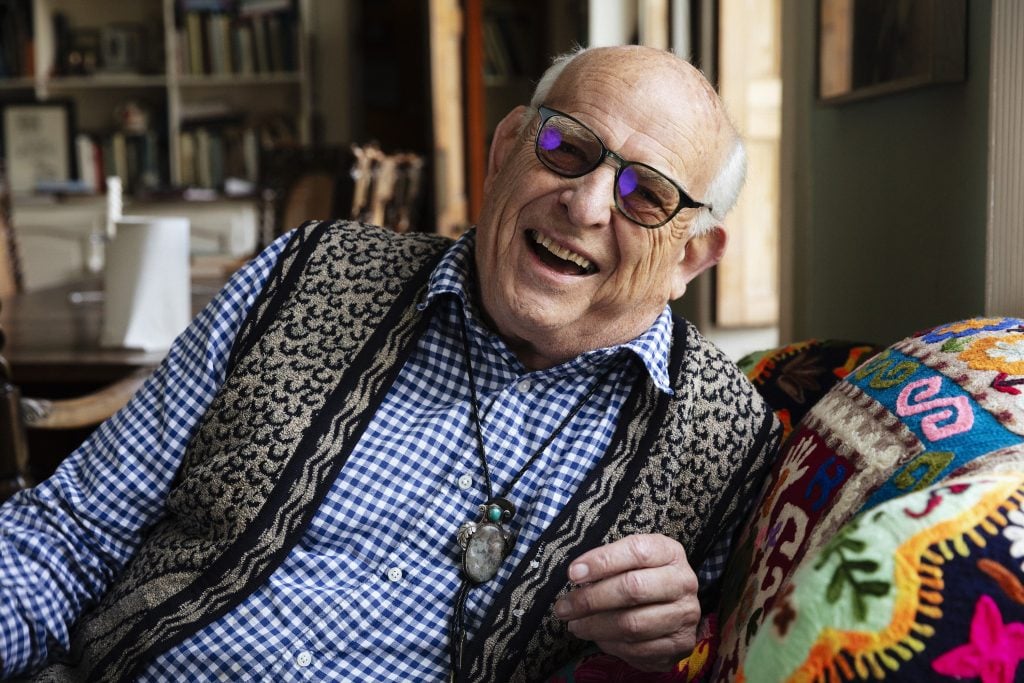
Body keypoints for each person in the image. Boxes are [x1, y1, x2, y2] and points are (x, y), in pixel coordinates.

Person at [0, 45, 779, 682]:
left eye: (646, 195)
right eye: (566, 148)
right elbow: (71, 532)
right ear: (507, 149)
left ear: (693, 256)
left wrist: (683, 627)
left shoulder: (723, 437)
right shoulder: (311, 273)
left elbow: (717, 645)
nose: (585, 205)